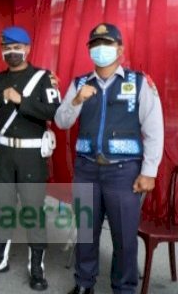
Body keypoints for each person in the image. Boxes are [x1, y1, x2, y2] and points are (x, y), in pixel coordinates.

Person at [55, 23, 164, 294]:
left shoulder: (138, 83)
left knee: (124, 237)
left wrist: (149, 171)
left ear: (120, 49)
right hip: (87, 169)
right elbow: (61, 121)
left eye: (107, 43)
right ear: (89, 50)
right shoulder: (80, 84)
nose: (100, 48)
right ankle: (84, 284)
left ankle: (124, 289)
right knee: (86, 232)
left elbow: (154, 129)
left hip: (123, 172)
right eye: (95, 44)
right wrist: (76, 101)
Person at [0, 26, 61, 291]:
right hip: (3, 154)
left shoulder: (43, 78)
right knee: (3, 208)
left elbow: (54, 112)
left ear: (27, 49)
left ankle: (36, 268)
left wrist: (21, 101)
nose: (11, 52)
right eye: (7, 48)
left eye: (17, 47)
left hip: (31, 156)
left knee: (33, 212)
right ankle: (0, 259)